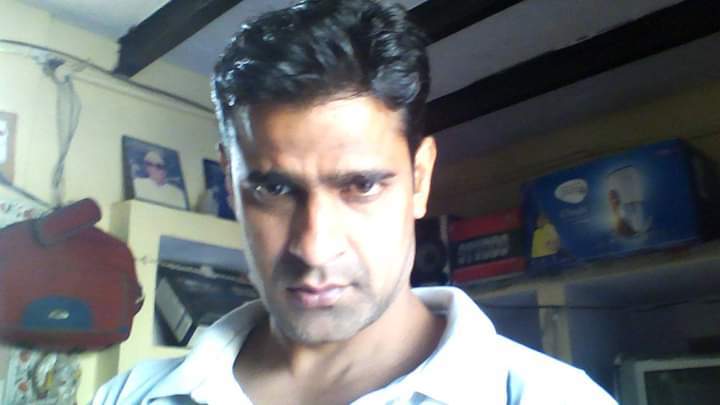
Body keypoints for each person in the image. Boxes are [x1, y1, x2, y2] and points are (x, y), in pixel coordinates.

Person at [94, 0, 617, 403]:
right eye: (274, 189)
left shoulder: (554, 398)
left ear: (419, 179)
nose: (314, 248)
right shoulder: (128, 396)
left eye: (362, 185)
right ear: (231, 184)